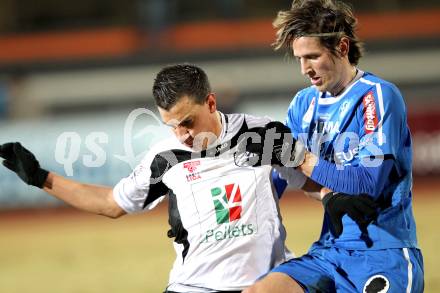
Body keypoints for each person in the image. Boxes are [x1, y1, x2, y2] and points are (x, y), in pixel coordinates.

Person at [0, 64, 317, 293]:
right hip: (193, 287)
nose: (182, 135)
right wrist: (41, 178)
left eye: (188, 122)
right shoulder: (165, 157)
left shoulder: (264, 133)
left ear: (211, 102)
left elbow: (316, 184)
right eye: (171, 126)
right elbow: (111, 203)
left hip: (267, 284)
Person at [243, 0, 424, 292]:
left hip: (383, 252)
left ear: (341, 47)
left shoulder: (376, 97)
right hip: (329, 251)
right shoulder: (304, 103)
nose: (304, 68)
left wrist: (300, 157)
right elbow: (280, 173)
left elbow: (367, 183)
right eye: (299, 58)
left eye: (312, 56)